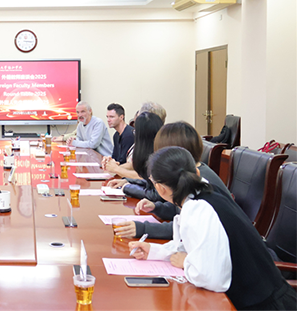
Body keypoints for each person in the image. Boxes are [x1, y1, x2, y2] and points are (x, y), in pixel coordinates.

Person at [129, 146, 297, 311]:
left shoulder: (198, 210)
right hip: (261, 296)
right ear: (197, 172)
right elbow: (192, 247)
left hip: (261, 304)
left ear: (160, 188)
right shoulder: (205, 192)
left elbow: (212, 278)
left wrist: (185, 262)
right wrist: (154, 251)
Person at [115, 121, 231, 240]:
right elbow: (179, 209)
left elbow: (185, 228)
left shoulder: (200, 180)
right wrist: (156, 207)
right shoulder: (194, 170)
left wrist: (143, 229)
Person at [105, 112, 163, 201]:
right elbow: (146, 180)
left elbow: (153, 190)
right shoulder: (150, 150)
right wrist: (127, 180)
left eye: (135, 131)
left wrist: (126, 186)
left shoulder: (158, 157)